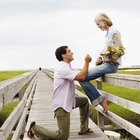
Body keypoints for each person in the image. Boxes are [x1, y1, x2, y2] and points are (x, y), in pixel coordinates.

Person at [27, 46, 93, 140]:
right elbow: (82, 77)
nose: (72, 52)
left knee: (84, 101)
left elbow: (83, 73)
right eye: (69, 51)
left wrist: (99, 63)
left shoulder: (68, 67)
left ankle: (84, 128)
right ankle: (35, 129)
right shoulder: (62, 69)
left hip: (69, 100)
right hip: (62, 105)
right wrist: (86, 62)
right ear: (63, 55)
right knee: (62, 136)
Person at [79, 12, 125, 113]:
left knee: (82, 78)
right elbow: (110, 52)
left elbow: (122, 50)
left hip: (112, 65)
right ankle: (100, 100)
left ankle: (100, 100)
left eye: (98, 24)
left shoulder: (114, 32)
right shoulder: (108, 33)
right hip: (106, 64)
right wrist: (101, 60)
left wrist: (110, 59)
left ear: (104, 21)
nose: (98, 27)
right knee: (82, 77)